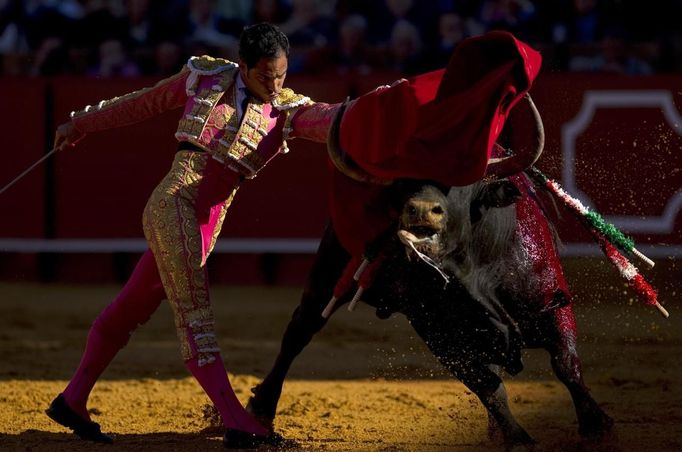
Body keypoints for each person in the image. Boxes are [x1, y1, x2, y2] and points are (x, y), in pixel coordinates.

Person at [45, 22, 339, 449]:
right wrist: (83, 122)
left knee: (130, 308)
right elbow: (142, 103)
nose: (275, 85)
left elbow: (325, 120)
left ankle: (72, 399)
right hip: (173, 205)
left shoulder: (289, 108)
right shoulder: (205, 77)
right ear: (243, 66)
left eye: (281, 74)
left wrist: (364, 113)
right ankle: (237, 420)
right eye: (265, 77)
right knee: (195, 319)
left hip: (207, 223)